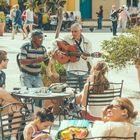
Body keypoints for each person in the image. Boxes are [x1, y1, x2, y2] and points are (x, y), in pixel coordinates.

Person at [53, 23, 93, 91]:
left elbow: (89, 57)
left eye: (75, 31)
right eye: (72, 31)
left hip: (84, 71)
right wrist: (57, 51)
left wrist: (86, 56)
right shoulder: (67, 38)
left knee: (84, 93)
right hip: (71, 71)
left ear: (81, 31)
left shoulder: (87, 42)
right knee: (71, 92)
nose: (73, 33)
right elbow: (54, 42)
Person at [19, 30, 50, 107]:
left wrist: (51, 57)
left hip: (37, 75)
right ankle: (30, 112)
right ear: (33, 38)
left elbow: (46, 62)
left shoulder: (43, 49)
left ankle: (37, 111)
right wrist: (35, 60)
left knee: (41, 94)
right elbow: (22, 61)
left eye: (42, 38)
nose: (42, 39)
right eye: (40, 38)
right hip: (26, 75)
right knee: (29, 96)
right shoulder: (25, 47)